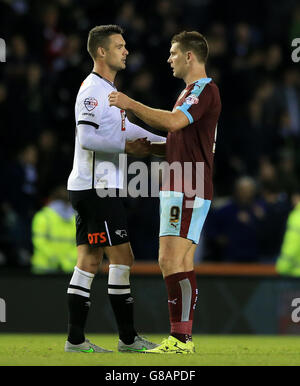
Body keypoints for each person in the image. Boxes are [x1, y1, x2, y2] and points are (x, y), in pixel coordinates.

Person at [109, 31, 221, 354]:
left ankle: (180, 339)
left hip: (189, 183)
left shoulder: (204, 89)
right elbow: (179, 138)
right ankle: (182, 338)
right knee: (179, 261)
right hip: (182, 181)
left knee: (170, 259)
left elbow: (173, 123)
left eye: (173, 53)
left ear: (190, 56)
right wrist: (153, 150)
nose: (168, 58)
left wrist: (129, 103)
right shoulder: (188, 92)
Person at [66, 24, 165, 353]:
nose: (126, 51)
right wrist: (129, 149)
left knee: (89, 260)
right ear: (101, 52)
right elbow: (88, 138)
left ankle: (76, 341)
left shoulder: (108, 92)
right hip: (97, 189)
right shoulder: (91, 91)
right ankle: (127, 339)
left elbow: (133, 133)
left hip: (92, 187)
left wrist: (172, 142)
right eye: (120, 46)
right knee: (123, 257)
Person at [31, 186, 77, 274]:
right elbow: (80, 245)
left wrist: (55, 258)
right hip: (69, 267)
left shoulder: (42, 216)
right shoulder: (77, 218)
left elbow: (39, 242)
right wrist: (66, 260)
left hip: (43, 267)